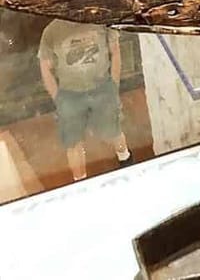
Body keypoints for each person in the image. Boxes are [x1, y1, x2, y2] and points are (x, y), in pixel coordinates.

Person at [38, 19, 131, 181]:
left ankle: (126, 160)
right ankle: (79, 180)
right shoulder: (52, 30)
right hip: (70, 94)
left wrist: (113, 86)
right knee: (73, 142)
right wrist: (58, 98)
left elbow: (115, 51)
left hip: (102, 87)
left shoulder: (100, 19)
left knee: (114, 130)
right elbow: (45, 66)